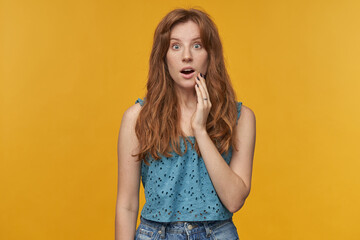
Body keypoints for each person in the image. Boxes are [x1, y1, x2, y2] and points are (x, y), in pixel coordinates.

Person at [115, 8, 256, 240]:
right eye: (176, 46)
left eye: (197, 45)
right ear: (164, 56)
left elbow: (234, 200)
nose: (187, 56)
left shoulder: (241, 118)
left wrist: (200, 129)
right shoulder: (137, 118)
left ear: (211, 55)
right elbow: (127, 206)